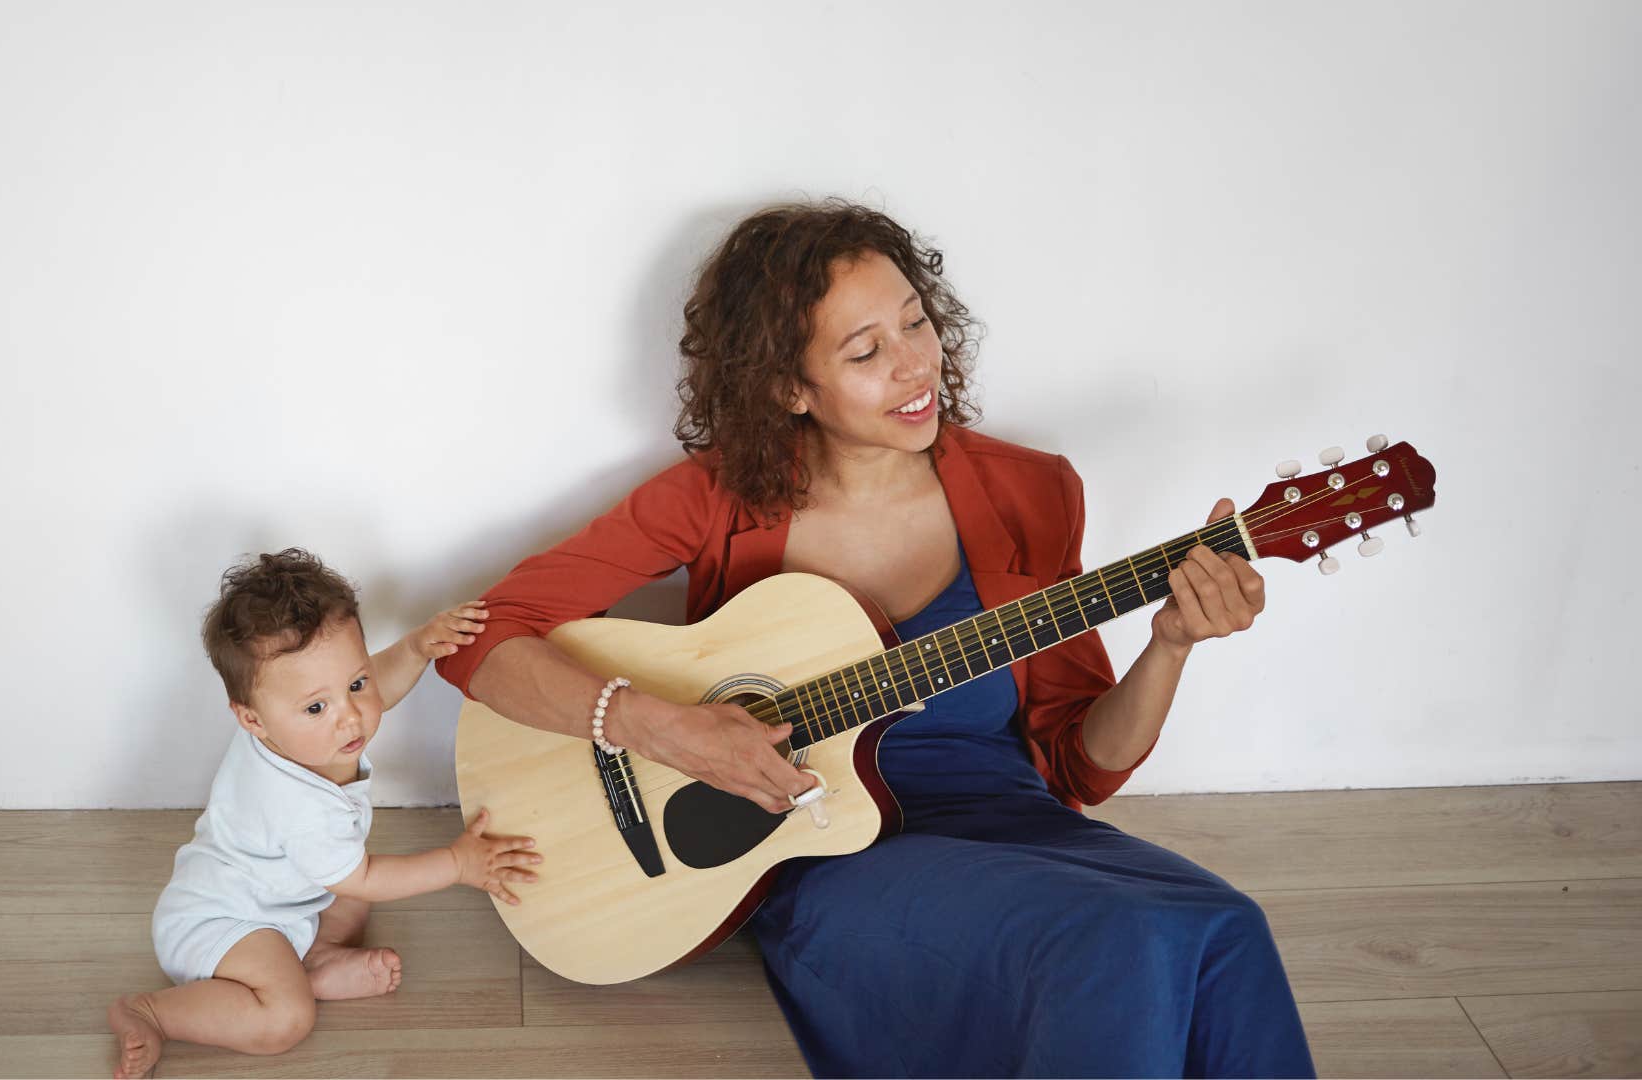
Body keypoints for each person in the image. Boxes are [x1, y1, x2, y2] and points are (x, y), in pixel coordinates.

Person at [435, 201, 1316, 1077]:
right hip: (826, 848)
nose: (914, 364)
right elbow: (479, 641)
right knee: (1110, 942)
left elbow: (1081, 764)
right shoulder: (715, 498)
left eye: (915, 322)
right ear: (788, 387)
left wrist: (1170, 644)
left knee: (1224, 927)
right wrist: (665, 729)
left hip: (1011, 822)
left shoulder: (1031, 492)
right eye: (864, 352)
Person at [107, 548, 540, 1079]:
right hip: (220, 924)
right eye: (317, 707)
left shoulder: (290, 728)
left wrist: (415, 648)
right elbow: (365, 875)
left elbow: (374, 685)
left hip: (284, 896)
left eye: (355, 685)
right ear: (252, 719)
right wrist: (459, 863)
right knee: (286, 1019)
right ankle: (152, 1012)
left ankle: (314, 959)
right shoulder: (298, 804)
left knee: (352, 899)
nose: (351, 717)